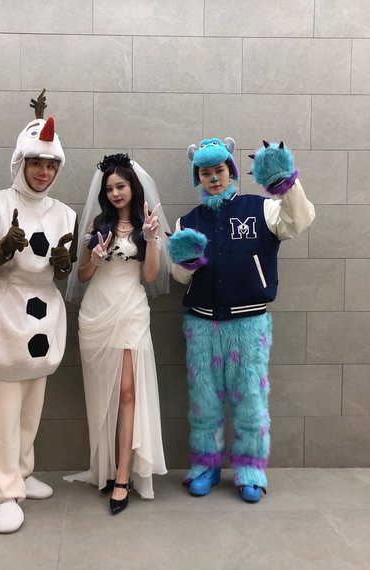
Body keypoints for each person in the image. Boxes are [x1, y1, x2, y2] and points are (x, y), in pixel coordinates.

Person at [168, 137, 315, 502]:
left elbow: (299, 221)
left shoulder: (261, 209)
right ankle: (205, 466)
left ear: (231, 170)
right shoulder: (188, 221)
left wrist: (285, 183)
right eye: (205, 172)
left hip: (249, 326)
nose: (213, 178)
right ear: (198, 177)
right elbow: (180, 277)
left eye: (219, 170)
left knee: (251, 399)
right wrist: (186, 263)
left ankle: (251, 470)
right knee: (204, 402)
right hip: (202, 325)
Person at [0, 90, 78, 533]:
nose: (43, 172)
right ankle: (5, 491)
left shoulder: (65, 214)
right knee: (4, 413)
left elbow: (62, 270)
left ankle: (23, 473)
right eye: (36, 163)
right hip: (4, 314)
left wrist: (64, 264)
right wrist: (3, 247)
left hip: (43, 318)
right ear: (21, 162)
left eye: (51, 165)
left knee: (31, 407)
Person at [64, 154, 170, 514]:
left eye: (120, 186)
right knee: (106, 394)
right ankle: (107, 469)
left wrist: (152, 239)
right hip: (96, 312)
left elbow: (151, 276)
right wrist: (94, 258)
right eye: (109, 188)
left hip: (131, 311)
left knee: (127, 391)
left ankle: (124, 476)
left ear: (132, 187)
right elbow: (81, 277)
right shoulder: (98, 223)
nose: (115, 193)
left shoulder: (145, 225)